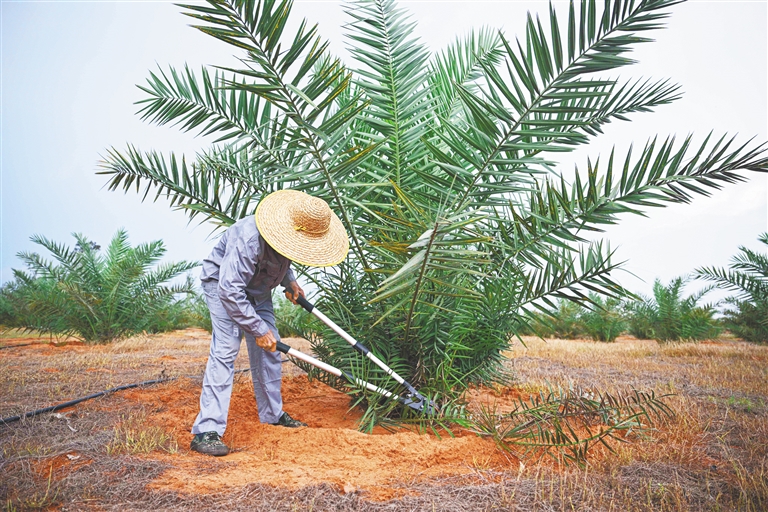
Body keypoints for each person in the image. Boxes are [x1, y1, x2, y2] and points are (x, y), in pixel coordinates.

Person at [190, 189, 350, 456]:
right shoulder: (248, 239)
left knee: (272, 349)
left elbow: (284, 252)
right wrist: (257, 328)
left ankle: (273, 416)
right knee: (226, 350)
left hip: (259, 288)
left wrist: (290, 281)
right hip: (223, 285)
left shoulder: (289, 235)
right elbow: (230, 290)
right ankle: (207, 430)